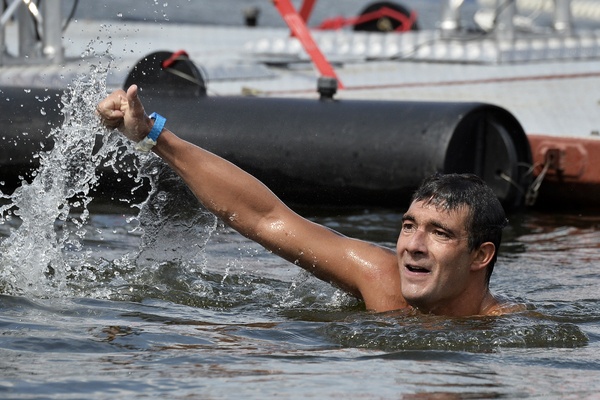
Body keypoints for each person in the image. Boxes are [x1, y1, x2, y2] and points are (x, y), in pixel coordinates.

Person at [97, 85, 519, 317]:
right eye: (409, 225)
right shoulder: (381, 281)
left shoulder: (510, 333)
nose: (412, 245)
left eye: (439, 232)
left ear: (480, 255)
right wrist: (154, 136)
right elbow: (263, 217)